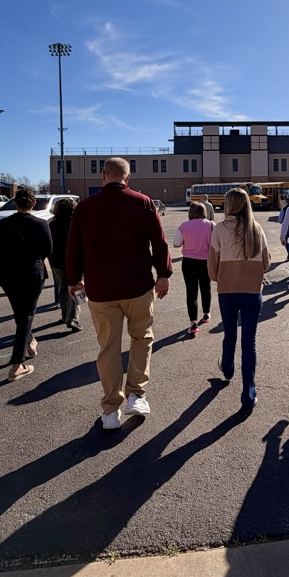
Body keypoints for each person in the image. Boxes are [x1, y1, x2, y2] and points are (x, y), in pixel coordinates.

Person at [66, 157, 172, 430]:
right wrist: (163, 274)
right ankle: (136, 394)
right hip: (137, 287)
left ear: (103, 176)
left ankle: (111, 409)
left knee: (108, 348)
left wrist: (74, 280)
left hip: (101, 290)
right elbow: (159, 242)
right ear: (128, 178)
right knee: (142, 338)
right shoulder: (144, 202)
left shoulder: (85, 208)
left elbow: (73, 248)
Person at [208, 188, 271, 412]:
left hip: (227, 291)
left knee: (230, 334)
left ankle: (227, 367)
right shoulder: (256, 229)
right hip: (252, 292)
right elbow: (266, 263)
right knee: (249, 343)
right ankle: (248, 393)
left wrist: (221, 278)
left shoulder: (219, 229)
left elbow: (212, 266)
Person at [0, 186, 52, 381]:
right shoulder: (41, 224)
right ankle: (17, 364)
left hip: (9, 275)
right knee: (26, 315)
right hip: (32, 274)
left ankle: (29, 342)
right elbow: (47, 249)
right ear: (33, 203)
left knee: (21, 313)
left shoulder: (3, 224)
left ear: (15, 204)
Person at [174, 201, 215, 335]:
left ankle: (193, 323)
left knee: (191, 291)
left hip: (189, 262)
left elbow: (176, 243)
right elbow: (215, 243)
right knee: (206, 287)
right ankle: (207, 313)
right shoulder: (210, 225)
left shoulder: (183, 226)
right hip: (205, 261)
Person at [49, 197, 82, 332]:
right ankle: (74, 319)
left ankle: (65, 315)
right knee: (77, 288)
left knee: (62, 288)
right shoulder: (76, 223)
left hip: (57, 262)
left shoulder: (52, 224)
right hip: (75, 261)